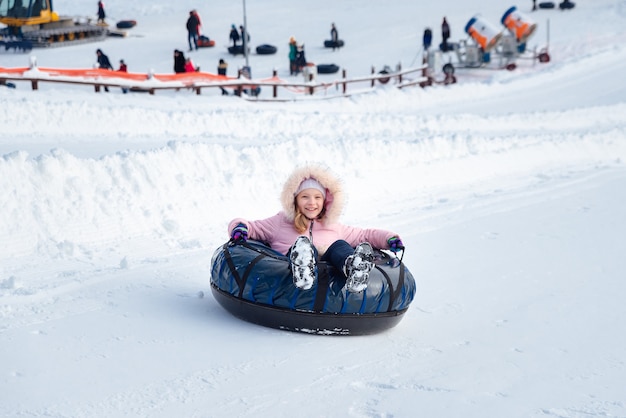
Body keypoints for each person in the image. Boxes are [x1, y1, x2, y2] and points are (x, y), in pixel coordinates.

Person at [227, 164, 405, 293]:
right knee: (304, 246)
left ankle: (352, 267)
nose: (312, 203)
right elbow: (251, 227)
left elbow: (365, 235)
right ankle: (302, 266)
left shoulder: (333, 226)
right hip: (288, 272)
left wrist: (390, 239)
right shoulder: (280, 222)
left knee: (340, 245)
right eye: (305, 197)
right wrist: (239, 228)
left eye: (317, 197)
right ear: (295, 199)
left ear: (325, 201)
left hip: (328, 271)